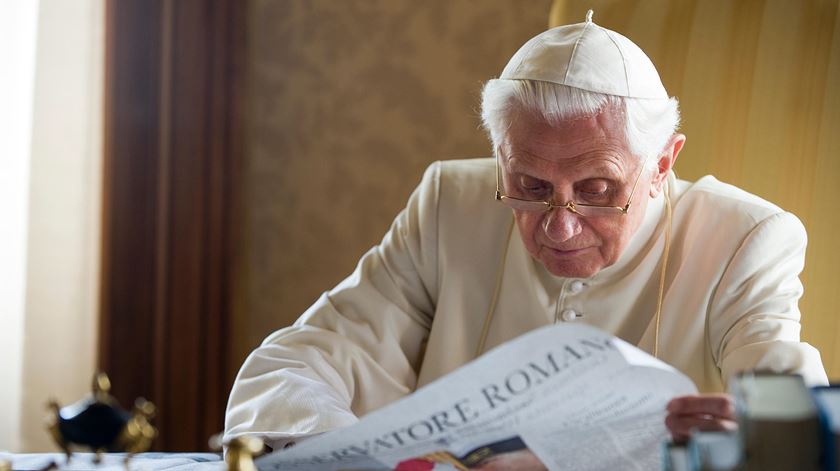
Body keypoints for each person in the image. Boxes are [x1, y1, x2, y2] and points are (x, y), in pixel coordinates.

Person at [224, 11, 828, 450]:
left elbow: (790, 411)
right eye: (530, 188)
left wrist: (752, 438)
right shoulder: (449, 205)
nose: (560, 228)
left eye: (597, 191)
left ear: (662, 165)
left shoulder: (746, 239)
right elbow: (293, 367)